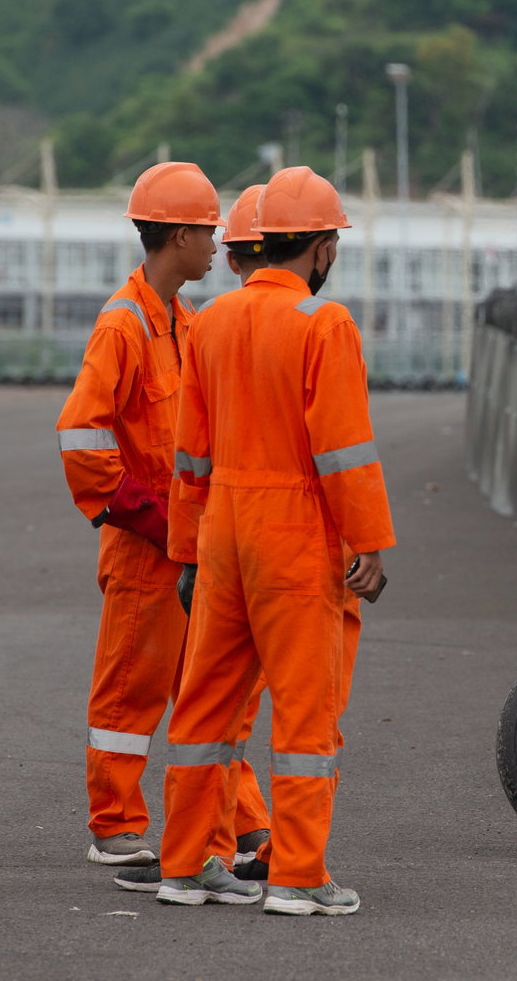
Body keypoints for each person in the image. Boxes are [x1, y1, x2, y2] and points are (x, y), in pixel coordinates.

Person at [155, 166, 394, 915]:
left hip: (223, 532)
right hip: (294, 534)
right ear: (322, 248)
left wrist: (186, 549)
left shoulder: (211, 321)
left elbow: (190, 455)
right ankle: (297, 875)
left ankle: (186, 863)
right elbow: (343, 451)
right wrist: (369, 542)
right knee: (304, 711)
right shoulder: (325, 325)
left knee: (206, 707)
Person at [54, 162, 259, 868]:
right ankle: (114, 825)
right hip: (146, 545)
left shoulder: (185, 321)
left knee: (210, 691)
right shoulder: (125, 323)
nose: (217, 244)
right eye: (209, 232)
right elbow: (80, 435)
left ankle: (245, 824)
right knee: (130, 692)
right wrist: (144, 513)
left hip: (187, 539)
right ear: (178, 236)